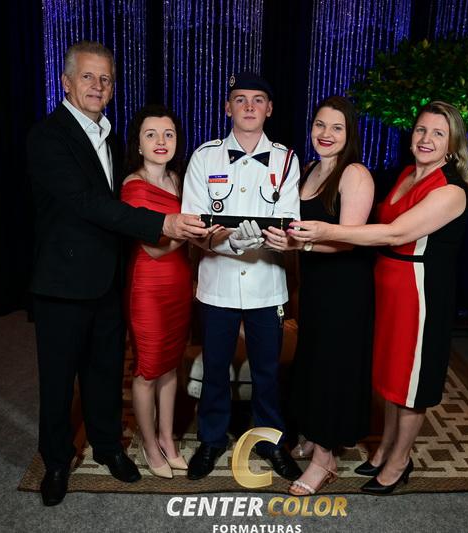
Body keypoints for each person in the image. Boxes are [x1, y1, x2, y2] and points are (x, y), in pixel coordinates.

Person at [27, 41, 208, 506]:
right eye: (87, 77)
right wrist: (163, 224)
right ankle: (56, 461)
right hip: (63, 280)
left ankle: (108, 446)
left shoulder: (107, 137)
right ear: (66, 82)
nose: (97, 85)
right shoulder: (48, 136)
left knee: (105, 371)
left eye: (105, 79)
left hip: (109, 278)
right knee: (59, 380)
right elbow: (86, 203)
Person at [288, 100, 468, 495]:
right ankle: (385, 449)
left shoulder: (452, 190)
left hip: (419, 290)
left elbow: (394, 233)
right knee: (390, 377)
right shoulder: (407, 174)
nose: (426, 139)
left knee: (411, 384)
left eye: (438, 133)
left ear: (453, 144)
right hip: (386, 285)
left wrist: (325, 231)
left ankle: (399, 461)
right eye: (421, 130)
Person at [181, 72, 302, 481]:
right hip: (217, 284)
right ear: (227, 107)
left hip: (267, 285)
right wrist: (232, 243)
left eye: (258, 99)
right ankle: (211, 439)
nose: (249, 106)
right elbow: (195, 225)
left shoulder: (286, 159)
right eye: (240, 99)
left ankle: (270, 441)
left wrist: (279, 240)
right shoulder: (205, 157)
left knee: (267, 370)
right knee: (216, 367)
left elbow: (289, 223)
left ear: (269, 109)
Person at [263, 95, 375, 495]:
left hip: (345, 288)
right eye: (320, 125)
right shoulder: (309, 169)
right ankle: (315, 433)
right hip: (315, 286)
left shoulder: (355, 174)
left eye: (336, 128)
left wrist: (299, 245)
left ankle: (325, 460)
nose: (326, 134)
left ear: (349, 134)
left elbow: (349, 239)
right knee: (312, 361)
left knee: (332, 368)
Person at [121, 105, 191, 479]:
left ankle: (167, 438)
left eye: (168, 134)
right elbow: (154, 248)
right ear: (138, 143)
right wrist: (196, 234)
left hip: (179, 282)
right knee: (148, 368)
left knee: (170, 364)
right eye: (151, 134)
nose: (161, 141)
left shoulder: (179, 180)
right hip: (148, 286)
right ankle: (149, 445)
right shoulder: (132, 185)